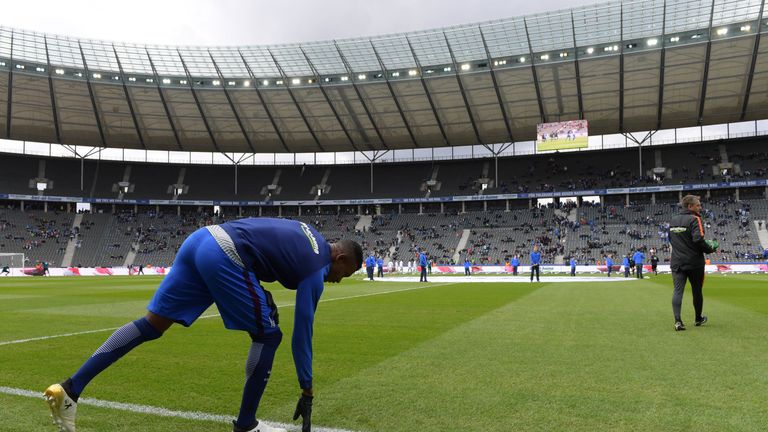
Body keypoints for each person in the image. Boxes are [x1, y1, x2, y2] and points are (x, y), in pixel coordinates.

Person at [44, 218, 363, 432]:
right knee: (268, 334)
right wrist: (307, 388)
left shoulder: (308, 232)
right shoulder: (317, 267)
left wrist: (260, 290)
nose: (337, 281)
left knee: (152, 325)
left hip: (202, 239)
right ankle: (247, 425)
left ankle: (70, 389)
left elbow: (267, 245)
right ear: (341, 260)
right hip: (226, 254)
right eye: (343, 275)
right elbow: (302, 333)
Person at [669, 195, 718, 331]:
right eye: (698, 205)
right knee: (697, 290)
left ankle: (678, 321)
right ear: (690, 206)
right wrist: (710, 248)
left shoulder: (673, 220)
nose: (700, 207)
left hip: (677, 261)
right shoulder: (695, 219)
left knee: (678, 291)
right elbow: (698, 240)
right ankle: (698, 319)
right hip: (694, 262)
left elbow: (670, 239)